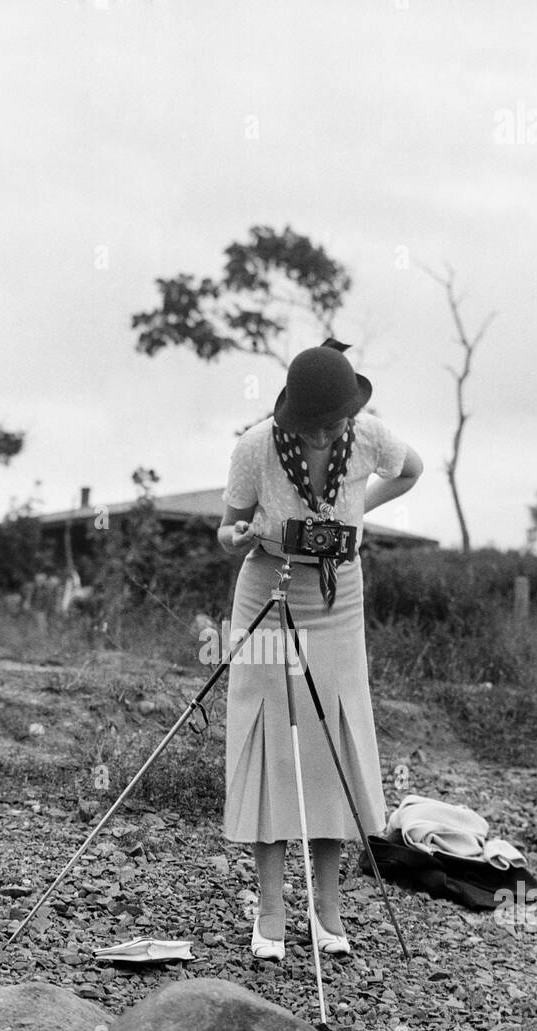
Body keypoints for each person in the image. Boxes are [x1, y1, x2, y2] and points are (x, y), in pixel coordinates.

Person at [217, 341, 423, 961]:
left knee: (332, 738)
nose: (332, 433)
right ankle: (272, 907)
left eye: (340, 422)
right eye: (320, 426)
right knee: (271, 741)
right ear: (293, 419)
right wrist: (243, 534)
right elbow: (225, 531)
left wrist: (360, 512)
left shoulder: (369, 436)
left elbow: (412, 470)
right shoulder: (256, 447)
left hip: (338, 598)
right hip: (267, 589)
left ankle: (328, 909)